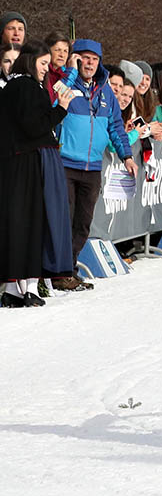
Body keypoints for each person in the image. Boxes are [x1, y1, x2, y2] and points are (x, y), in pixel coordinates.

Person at [0, 42, 77, 306]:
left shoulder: (9, 89)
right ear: (31, 61)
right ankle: (30, 286)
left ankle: (13, 288)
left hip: (10, 163)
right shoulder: (30, 88)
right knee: (35, 221)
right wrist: (60, 109)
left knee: (13, 223)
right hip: (31, 162)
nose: (47, 69)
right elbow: (35, 127)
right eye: (43, 63)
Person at [56, 39, 136, 288]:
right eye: (84, 57)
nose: (89, 63)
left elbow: (115, 126)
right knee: (64, 220)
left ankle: (68, 269)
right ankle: (59, 272)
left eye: (94, 59)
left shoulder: (105, 92)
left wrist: (127, 156)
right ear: (75, 58)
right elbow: (53, 102)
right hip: (66, 164)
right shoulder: (65, 83)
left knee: (82, 223)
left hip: (92, 167)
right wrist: (70, 72)